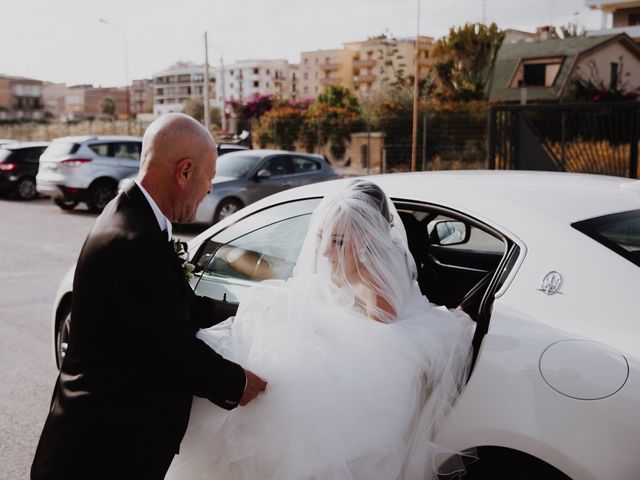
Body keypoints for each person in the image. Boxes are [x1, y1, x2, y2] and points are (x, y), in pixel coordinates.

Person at [166, 179, 475, 480]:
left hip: (358, 388)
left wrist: (326, 317)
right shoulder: (346, 262)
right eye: (323, 238)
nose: (326, 252)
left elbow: (380, 336)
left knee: (266, 416)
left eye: (338, 241)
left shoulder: (374, 278)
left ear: (368, 238)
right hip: (335, 363)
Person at [31, 113, 267, 480]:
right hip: (97, 454)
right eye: (210, 176)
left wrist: (254, 309)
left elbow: (172, 309)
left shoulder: (134, 217)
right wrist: (239, 383)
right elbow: (169, 349)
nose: (210, 188)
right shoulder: (132, 240)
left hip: (107, 444)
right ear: (185, 172)